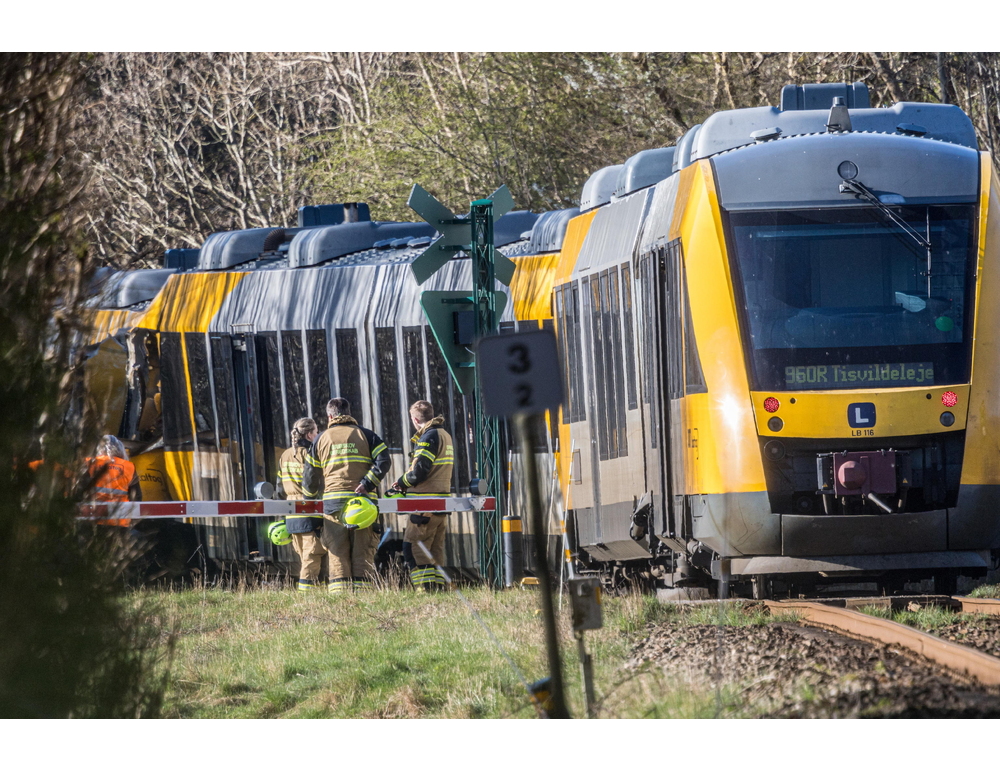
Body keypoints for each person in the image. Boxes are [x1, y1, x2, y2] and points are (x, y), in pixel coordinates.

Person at [303, 398, 390, 592]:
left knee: (337, 551)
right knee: (363, 550)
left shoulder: (320, 439)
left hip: (333, 503)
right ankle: (364, 595)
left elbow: (310, 475)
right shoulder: (367, 435)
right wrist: (367, 483)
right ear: (349, 412)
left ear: (330, 416)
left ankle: (341, 598)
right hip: (363, 504)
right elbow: (384, 461)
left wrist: (309, 500)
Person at [388, 400, 454, 591]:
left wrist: (401, 483)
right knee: (434, 550)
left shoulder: (428, 437)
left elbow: (419, 472)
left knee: (413, 549)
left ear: (415, 419)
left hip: (424, 504)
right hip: (441, 503)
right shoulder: (444, 435)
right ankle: (440, 590)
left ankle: (425, 590)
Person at [274, 417, 324, 591]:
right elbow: (317, 482)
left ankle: (312, 592)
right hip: (310, 510)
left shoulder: (285, 455)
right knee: (313, 556)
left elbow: (279, 489)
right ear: (310, 434)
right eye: (316, 431)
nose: (317, 435)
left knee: (304, 556)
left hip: (292, 512)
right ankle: (306, 595)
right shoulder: (311, 453)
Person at [85, 435, 142, 503]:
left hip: (94, 509)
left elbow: (80, 490)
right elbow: (136, 496)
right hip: (122, 510)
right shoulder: (129, 467)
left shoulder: (90, 463)